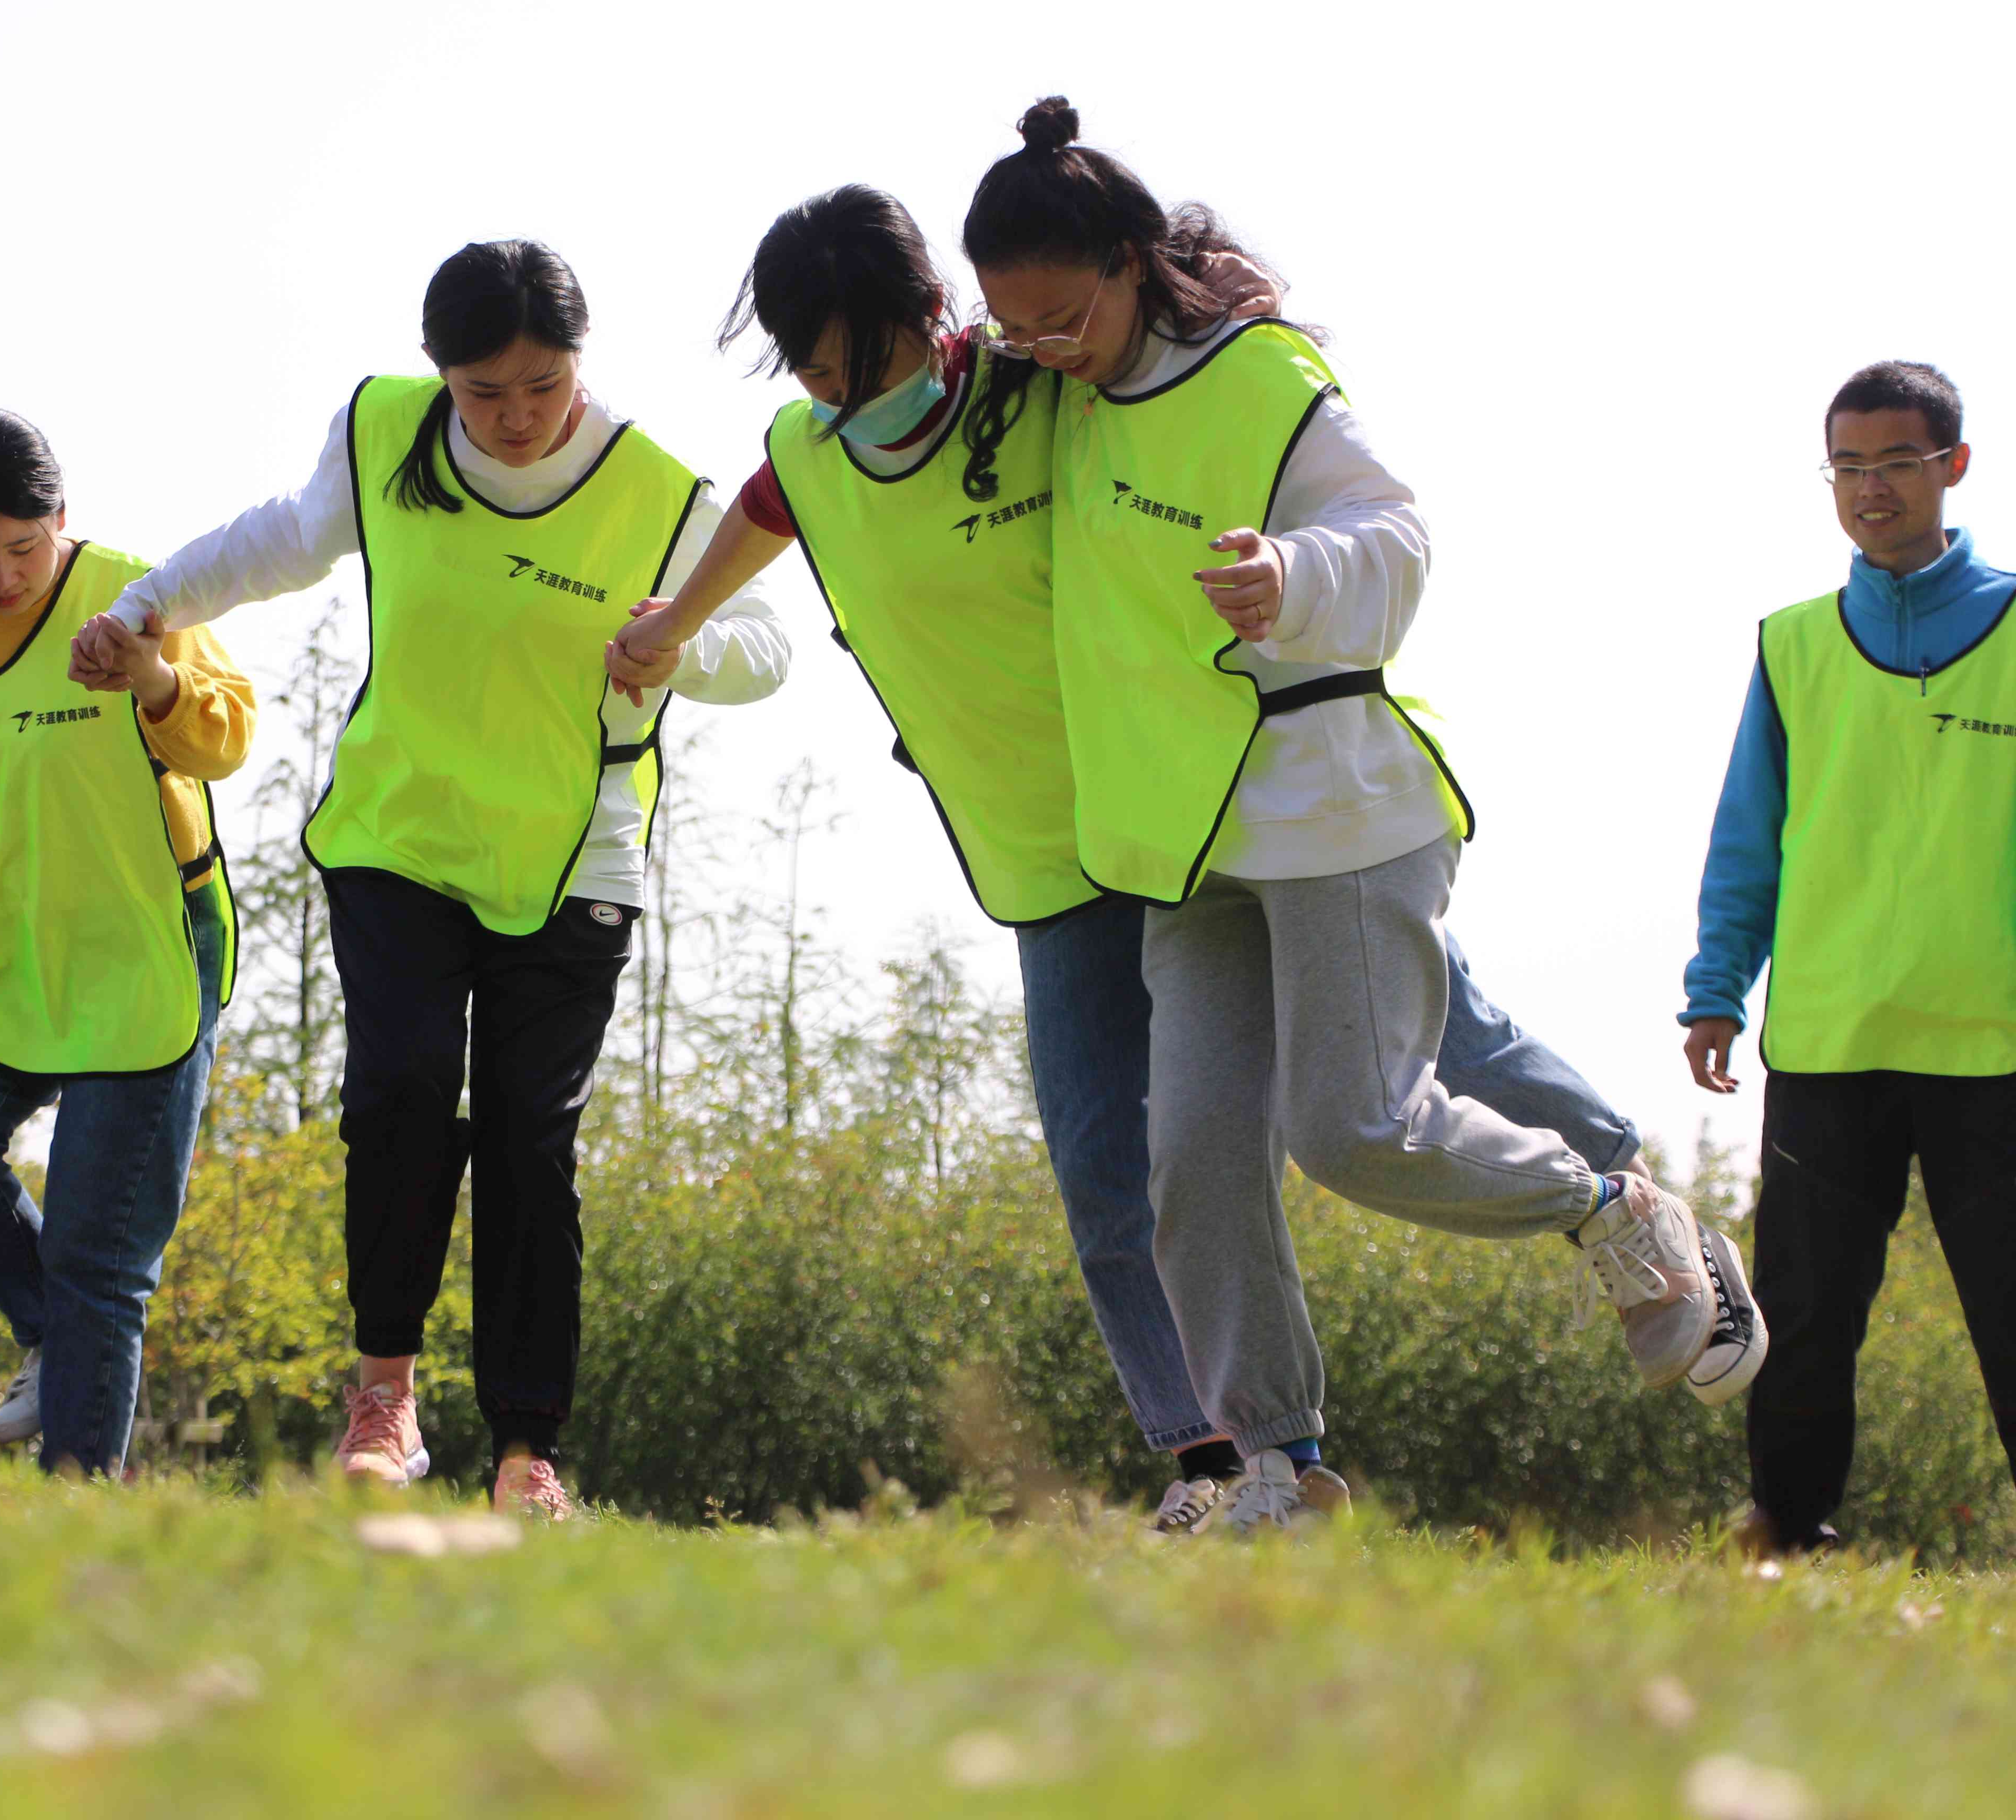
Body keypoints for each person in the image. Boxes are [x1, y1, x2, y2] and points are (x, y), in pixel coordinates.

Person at [615, 185, 1668, 1534]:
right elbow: (771, 501)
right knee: (1124, 1166)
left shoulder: (1039, 381)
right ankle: (1232, 1461)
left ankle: (1644, 1207)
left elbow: (1182, 386)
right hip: (1054, 852)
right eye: (810, 370)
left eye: (857, 364)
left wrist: (1263, 466)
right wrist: (675, 618)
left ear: (933, 319)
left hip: (1208, 803)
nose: (835, 393)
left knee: (1438, 1045)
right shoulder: (811, 446)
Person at [955, 98, 1763, 1530]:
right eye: (1017, 331)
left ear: (1132, 265)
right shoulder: (1054, 396)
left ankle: (1614, 1208)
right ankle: (1278, 1465)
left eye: (1064, 315)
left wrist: (1293, 572)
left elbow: (1393, 532)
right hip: (1187, 843)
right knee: (1192, 1160)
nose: (1047, 349)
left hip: (1337, 806)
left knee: (1356, 1129)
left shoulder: (1266, 380)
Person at [70, 241, 790, 1517]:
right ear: (438, 377)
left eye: (542, 384)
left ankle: (527, 1450)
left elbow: (766, 646)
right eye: (482, 392)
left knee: (528, 1132)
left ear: (581, 361)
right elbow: (281, 542)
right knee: (400, 1090)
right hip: (400, 831)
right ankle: (385, 1396)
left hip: (573, 853)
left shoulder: (656, 491)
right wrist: (145, 609)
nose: (514, 418)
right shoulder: (385, 436)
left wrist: (675, 641)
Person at [1682, 360, 2012, 1556]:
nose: (1869, 489)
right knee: (1805, 1314)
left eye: (1895, 462)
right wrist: (1715, 984)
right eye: (1847, 466)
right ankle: (1782, 1527)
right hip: (1827, 1037)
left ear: (1951, 467)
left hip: (1993, 1041)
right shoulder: (1788, 646)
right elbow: (1745, 835)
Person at [0, 411, 251, 1477]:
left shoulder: (138, 592)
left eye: (23, 548)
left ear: (63, 521)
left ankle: (77, 1504)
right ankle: (52, 1333)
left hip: (146, 945)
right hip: (2, 953)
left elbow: (229, 737)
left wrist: (153, 679)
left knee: (98, 1256)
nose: (0, 577)